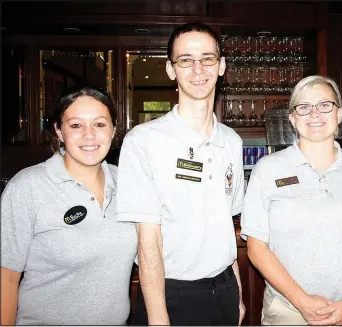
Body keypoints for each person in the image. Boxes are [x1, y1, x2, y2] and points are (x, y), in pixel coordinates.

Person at [115, 22, 245, 326]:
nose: (198, 69)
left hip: (224, 287)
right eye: (186, 60)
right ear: (171, 69)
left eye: (208, 59)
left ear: (221, 66)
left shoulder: (232, 141)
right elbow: (148, 241)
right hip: (172, 293)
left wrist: (237, 293)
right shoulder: (143, 141)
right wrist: (159, 318)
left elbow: (226, 225)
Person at [241, 75, 342, 325]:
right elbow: (256, 248)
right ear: (292, 119)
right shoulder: (267, 169)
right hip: (288, 313)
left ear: (339, 114)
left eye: (324, 105)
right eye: (304, 107)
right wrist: (302, 302)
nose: (315, 114)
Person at [0, 86, 137, 325]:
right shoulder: (28, 187)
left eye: (99, 124)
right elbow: (6, 279)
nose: (89, 135)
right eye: (75, 125)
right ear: (59, 131)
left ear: (114, 130)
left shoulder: (129, 184)